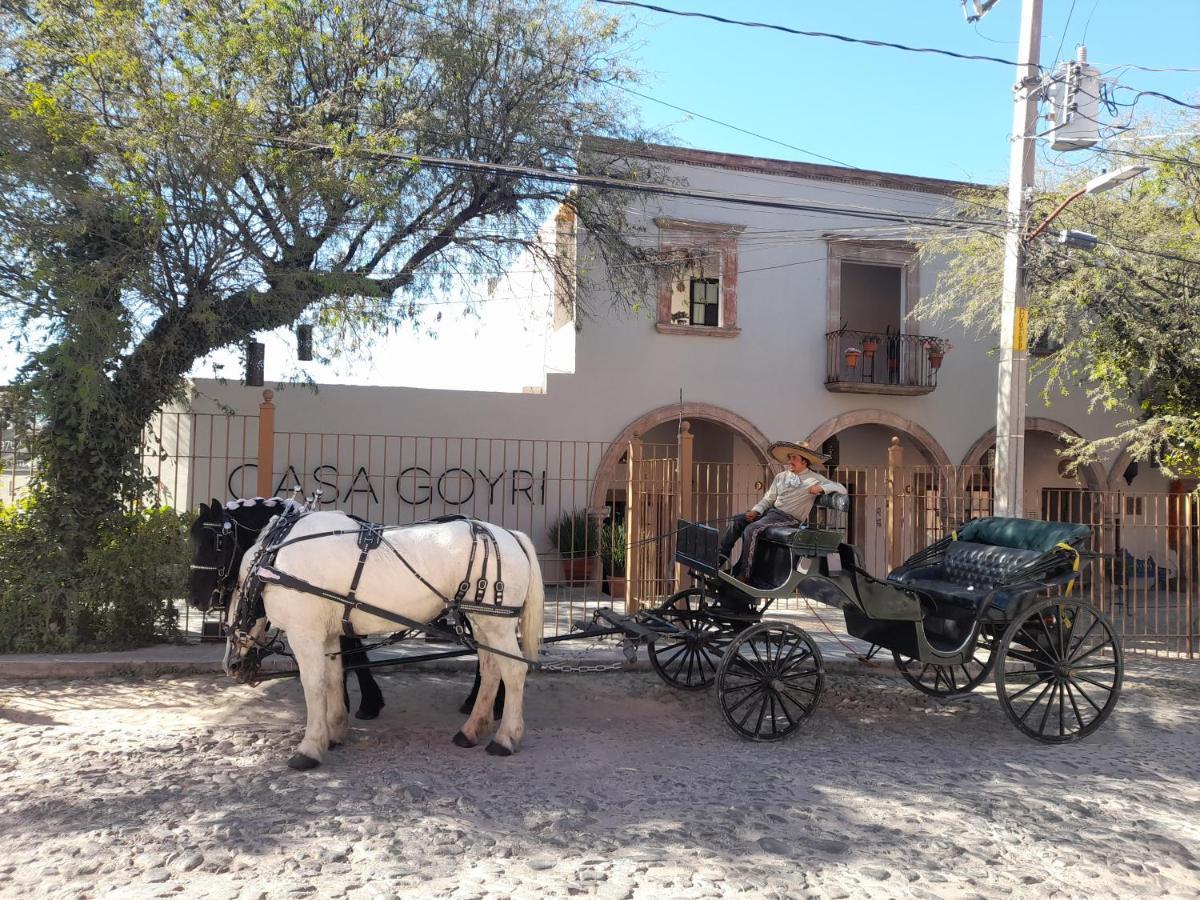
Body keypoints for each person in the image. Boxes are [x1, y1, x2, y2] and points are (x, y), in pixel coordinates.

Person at [718, 440, 847, 580]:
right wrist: (756, 511)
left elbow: (841, 488)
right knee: (738, 520)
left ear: (804, 462)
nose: (789, 461)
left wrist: (821, 488)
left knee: (751, 530)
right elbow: (768, 499)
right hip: (771, 514)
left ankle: (745, 574)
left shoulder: (815, 479)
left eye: (794, 458)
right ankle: (719, 560)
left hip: (789, 519)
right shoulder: (781, 477)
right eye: (789, 458)